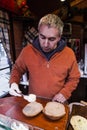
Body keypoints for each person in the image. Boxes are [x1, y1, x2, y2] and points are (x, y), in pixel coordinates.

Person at [9, 14, 80, 103]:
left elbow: (74, 78)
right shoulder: (27, 51)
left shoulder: (69, 54)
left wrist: (64, 93)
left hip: (58, 103)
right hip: (34, 102)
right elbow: (17, 69)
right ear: (38, 33)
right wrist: (14, 83)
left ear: (59, 37)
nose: (45, 44)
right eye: (42, 37)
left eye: (51, 39)